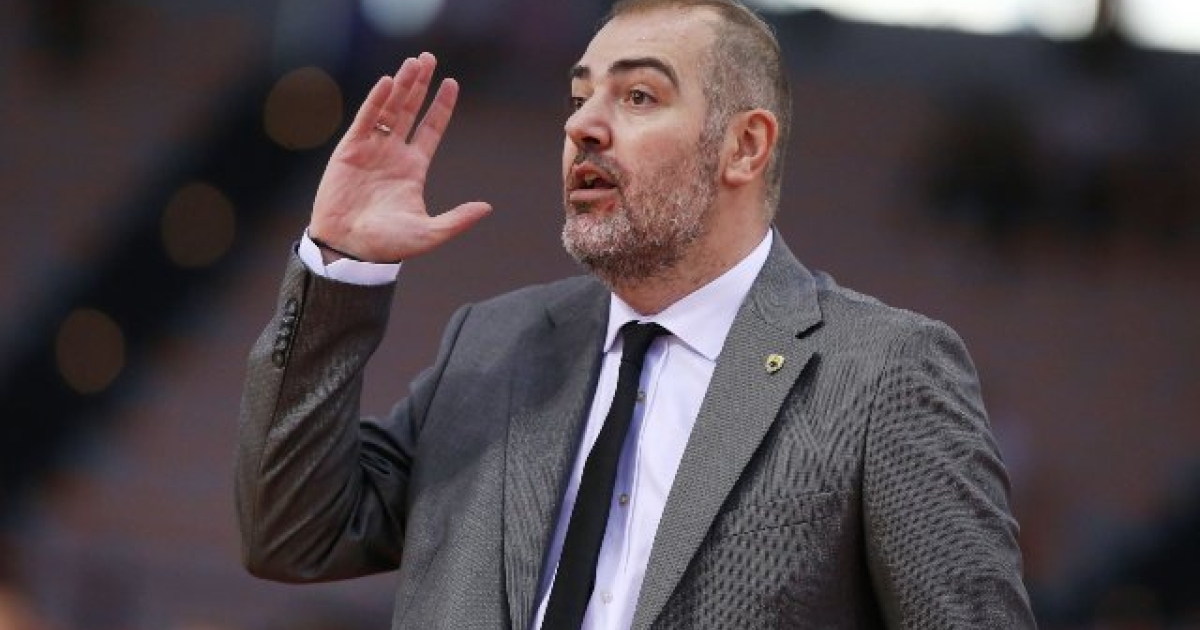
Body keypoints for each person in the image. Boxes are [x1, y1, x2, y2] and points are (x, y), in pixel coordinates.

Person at [235, 0, 1036, 628]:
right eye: (579, 95)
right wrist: (342, 266)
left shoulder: (882, 371)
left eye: (639, 95)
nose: (581, 124)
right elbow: (293, 534)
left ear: (744, 147)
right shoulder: (495, 342)